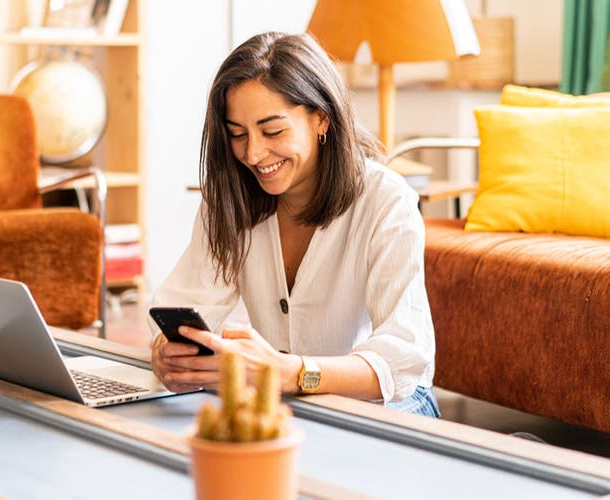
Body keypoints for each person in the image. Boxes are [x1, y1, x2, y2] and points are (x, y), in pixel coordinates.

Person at [149, 31, 439, 417]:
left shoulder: (386, 200)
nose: (253, 153)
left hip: (389, 403)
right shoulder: (230, 201)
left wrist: (292, 373)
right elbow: (180, 305)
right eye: (238, 135)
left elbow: (401, 364)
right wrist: (168, 357)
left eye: (272, 131)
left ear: (321, 118)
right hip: (289, 403)